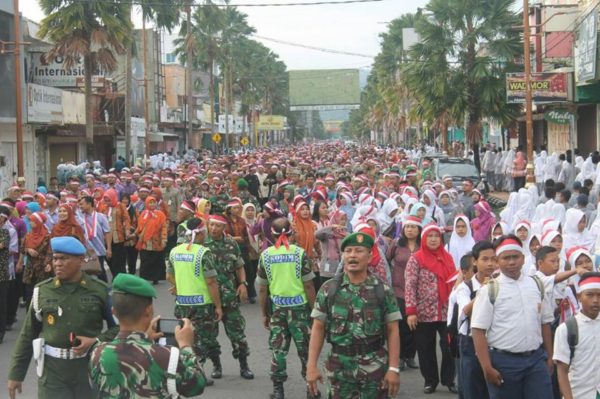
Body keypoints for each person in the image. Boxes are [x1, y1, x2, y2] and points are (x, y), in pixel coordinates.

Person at [7, 236, 117, 399]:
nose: (57, 263)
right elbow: (28, 334)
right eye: (55, 258)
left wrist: (97, 341)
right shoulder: (42, 291)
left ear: (81, 260)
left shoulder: (99, 290)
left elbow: (119, 327)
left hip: (89, 369)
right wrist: (16, 374)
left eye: (64, 259)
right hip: (53, 373)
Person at [89, 273, 208, 397]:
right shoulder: (166, 355)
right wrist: (186, 345)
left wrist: (145, 337)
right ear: (149, 310)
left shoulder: (97, 353)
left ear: (114, 312)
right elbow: (196, 385)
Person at [471, 235, 554, 399]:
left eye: (515, 257)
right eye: (505, 258)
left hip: (536, 361)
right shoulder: (490, 289)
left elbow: (545, 323)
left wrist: (550, 357)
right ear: (497, 261)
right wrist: (487, 368)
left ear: (523, 259)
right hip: (504, 363)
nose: (511, 262)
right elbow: (478, 330)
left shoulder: (536, 285)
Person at [257, 217, 317, 399]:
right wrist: (315, 311)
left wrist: (264, 313)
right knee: (306, 350)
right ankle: (311, 389)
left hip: (278, 309)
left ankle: (278, 390)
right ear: (290, 233)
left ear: (271, 234)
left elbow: (262, 288)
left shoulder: (266, 256)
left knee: (278, 350)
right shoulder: (299, 253)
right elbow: (308, 286)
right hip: (300, 309)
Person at [167, 217, 222, 381]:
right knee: (201, 340)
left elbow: (169, 275)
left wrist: (178, 285)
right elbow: (211, 282)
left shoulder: (175, 251)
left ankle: (189, 370)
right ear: (200, 233)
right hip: (202, 304)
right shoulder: (203, 253)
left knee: (184, 337)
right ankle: (198, 375)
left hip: (182, 303)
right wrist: (218, 306)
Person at [405, 223, 457, 394]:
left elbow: (454, 282)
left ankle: (449, 379)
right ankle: (430, 380)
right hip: (423, 312)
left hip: (445, 310)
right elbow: (410, 285)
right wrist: (411, 311)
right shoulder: (416, 258)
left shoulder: (447, 257)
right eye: (430, 236)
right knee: (425, 348)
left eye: (436, 236)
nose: (433, 239)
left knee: (449, 346)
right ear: (424, 238)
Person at [204, 215, 254, 380]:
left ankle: (244, 366)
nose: (213, 229)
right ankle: (217, 366)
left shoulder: (232, 243)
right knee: (210, 335)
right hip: (209, 298)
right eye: (211, 225)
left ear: (223, 227)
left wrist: (243, 283)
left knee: (237, 333)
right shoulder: (202, 244)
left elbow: (239, 266)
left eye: (217, 226)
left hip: (229, 297)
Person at [456, 241, 495, 399]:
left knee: (493, 389)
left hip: (494, 343)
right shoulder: (465, 287)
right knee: (473, 389)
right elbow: (465, 310)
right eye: (485, 259)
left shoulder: (500, 283)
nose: (490, 264)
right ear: (475, 261)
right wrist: (484, 291)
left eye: (494, 259)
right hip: (470, 343)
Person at [553, 272, 600, 399]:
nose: (595, 300)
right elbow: (562, 370)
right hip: (579, 393)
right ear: (579, 296)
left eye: (599, 295)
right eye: (590, 295)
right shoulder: (567, 329)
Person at [386, 215, 421, 371]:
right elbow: (387, 259)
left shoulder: (423, 246)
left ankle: (410, 356)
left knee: (414, 324)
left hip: (418, 291)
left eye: (413, 227)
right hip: (399, 289)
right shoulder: (396, 244)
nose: (410, 230)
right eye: (407, 227)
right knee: (400, 324)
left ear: (419, 230)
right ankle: (399, 357)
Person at [136, 196, 168, 284]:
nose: (152, 204)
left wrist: (164, 239)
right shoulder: (143, 214)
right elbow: (139, 228)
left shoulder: (160, 214)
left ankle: (156, 278)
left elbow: (164, 227)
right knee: (145, 260)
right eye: (150, 202)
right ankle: (144, 278)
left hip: (156, 241)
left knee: (157, 260)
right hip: (145, 242)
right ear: (146, 203)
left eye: (153, 202)